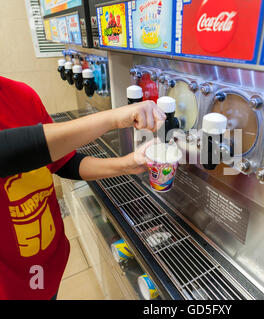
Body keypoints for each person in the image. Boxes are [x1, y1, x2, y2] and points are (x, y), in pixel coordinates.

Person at [0, 75, 165, 300]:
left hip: (47, 264)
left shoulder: (21, 94)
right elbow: (12, 150)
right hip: (9, 285)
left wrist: (126, 164)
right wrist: (114, 118)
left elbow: (62, 161)